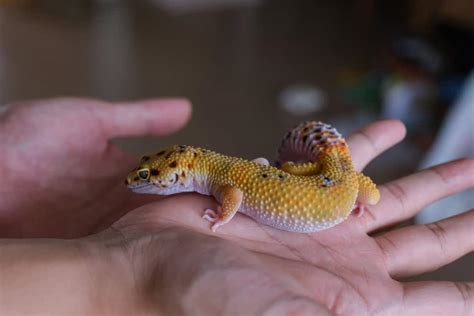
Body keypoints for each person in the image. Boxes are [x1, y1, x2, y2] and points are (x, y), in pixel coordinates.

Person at [0, 97, 472, 315]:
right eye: (146, 174)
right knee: (351, 189)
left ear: (181, 174)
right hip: (333, 180)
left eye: (149, 178)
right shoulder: (225, 166)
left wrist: (221, 219)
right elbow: (265, 166)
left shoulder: (226, 183)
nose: (138, 182)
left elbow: (234, 197)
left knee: (351, 188)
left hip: (332, 184)